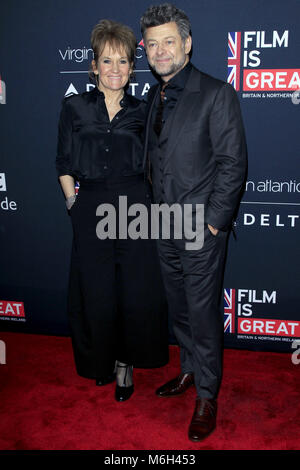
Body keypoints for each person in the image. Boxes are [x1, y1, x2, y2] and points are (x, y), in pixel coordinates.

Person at [140, 3, 247, 440]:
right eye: (152, 44)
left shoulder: (217, 93)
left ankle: (207, 393)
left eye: (169, 41)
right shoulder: (154, 95)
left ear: (186, 44)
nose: (160, 51)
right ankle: (188, 372)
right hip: (163, 223)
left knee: (202, 315)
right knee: (180, 309)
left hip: (200, 228)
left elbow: (232, 164)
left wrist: (214, 225)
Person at [56, 19, 168, 402]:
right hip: (90, 207)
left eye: (123, 62)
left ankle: (125, 365)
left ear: (132, 68)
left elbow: (158, 161)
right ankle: (100, 361)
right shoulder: (73, 107)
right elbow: (63, 163)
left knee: (133, 292)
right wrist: (75, 204)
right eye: (107, 61)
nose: (115, 70)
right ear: (93, 66)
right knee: (97, 291)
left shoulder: (144, 108)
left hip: (135, 205)